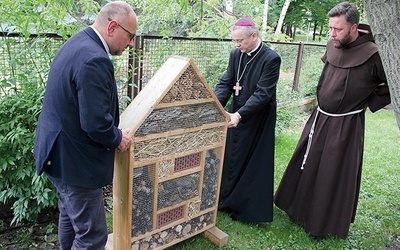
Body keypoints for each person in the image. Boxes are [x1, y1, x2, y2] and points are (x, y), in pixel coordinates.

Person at [274, 2, 391, 239]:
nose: (332, 34)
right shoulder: (333, 44)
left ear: (354, 27)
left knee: (331, 173)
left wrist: (367, 102)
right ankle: (298, 211)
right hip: (320, 118)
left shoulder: (373, 55)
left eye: (337, 29)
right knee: (307, 164)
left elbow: (388, 86)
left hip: (345, 125)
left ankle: (322, 224)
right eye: (330, 28)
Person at [33, 1, 135, 249]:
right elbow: (96, 124)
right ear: (112, 26)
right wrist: (117, 138)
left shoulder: (78, 42)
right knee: (92, 237)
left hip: (57, 154)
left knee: (69, 217)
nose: (131, 43)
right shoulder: (94, 59)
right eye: (130, 36)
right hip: (75, 163)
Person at [214, 17, 281, 223]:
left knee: (252, 161)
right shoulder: (236, 55)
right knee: (233, 156)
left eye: (240, 41)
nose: (237, 45)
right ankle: (225, 200)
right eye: (235, 41)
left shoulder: (270, 59)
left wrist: (240, 115)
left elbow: (263, 94)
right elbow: (227, 82)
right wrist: (214, 105)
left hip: (258, 117)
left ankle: (247, 208)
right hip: (236, 114)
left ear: (254, 36)